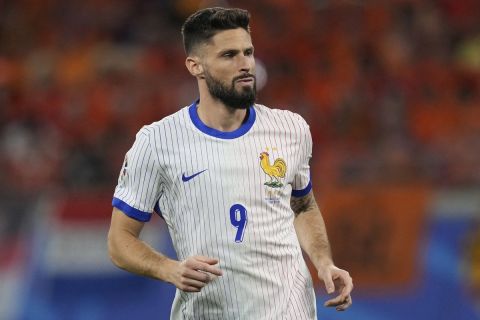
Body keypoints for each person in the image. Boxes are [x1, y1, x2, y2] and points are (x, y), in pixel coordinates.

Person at [107, 7, 353, 319]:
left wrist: (323, 262)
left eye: (248, 52)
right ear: (196, 66)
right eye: (229, 55)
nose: (245, 64)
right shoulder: (157, 142)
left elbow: (302, 206)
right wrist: (169, 269)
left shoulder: (291, 129)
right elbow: (119, 241)